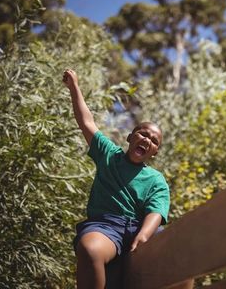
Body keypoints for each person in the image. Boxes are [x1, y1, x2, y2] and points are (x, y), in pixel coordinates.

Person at [63, 68, 170, 289]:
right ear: (131, 137)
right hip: (105, 226)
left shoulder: (156, 180)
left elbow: (156, 212)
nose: (147, 140)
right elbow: (87, 122)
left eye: (154, 140)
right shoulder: (109, 155)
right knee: (89, 248)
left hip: (140, 228)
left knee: (179, 255)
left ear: (155, 152)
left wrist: (143, 235)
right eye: (142, 134)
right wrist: (74, 87)